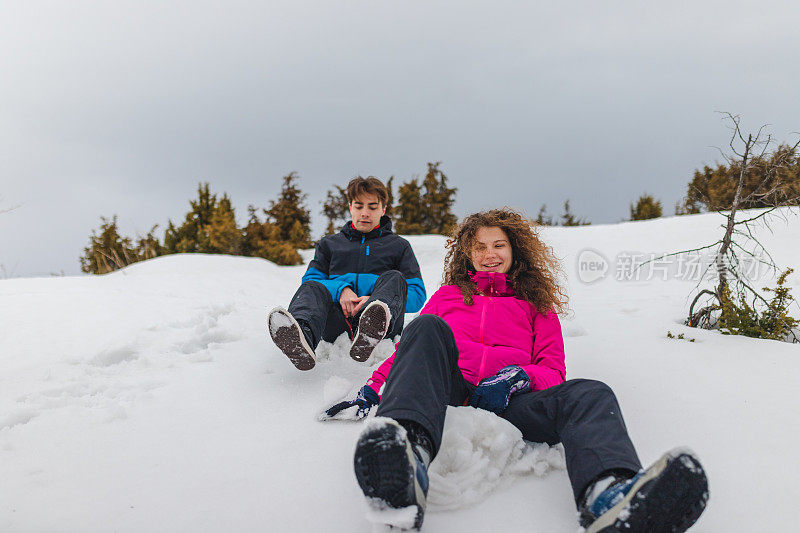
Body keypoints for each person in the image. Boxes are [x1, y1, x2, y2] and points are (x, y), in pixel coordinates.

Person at [323, 208, 709, 532]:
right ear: (467, 254)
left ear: (514, 250)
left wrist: (517, 377)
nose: (489, 254)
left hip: (512, 402)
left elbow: (553, 371)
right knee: (426, 327)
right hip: (450, 389)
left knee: (591, 393)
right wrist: (374, 389)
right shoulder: (448, 296)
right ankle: (406, 459)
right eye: (480, 247)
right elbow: (413, 351)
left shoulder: (536, 304)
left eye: (498, 245)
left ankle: (610, 495)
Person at [269, 177, 426, 370]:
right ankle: (302, 338)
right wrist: (341, 289)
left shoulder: (399, 246)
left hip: (384, 328)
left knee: (394, 278)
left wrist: (374, 301)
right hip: (337, 324)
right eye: (359, 207)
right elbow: (311, 281)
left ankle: (372, 326)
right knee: (312, 287)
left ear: (383, 209)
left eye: (372, 207)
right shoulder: (330, 244)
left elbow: (417, 295)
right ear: (350, 206)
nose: (365, 213)